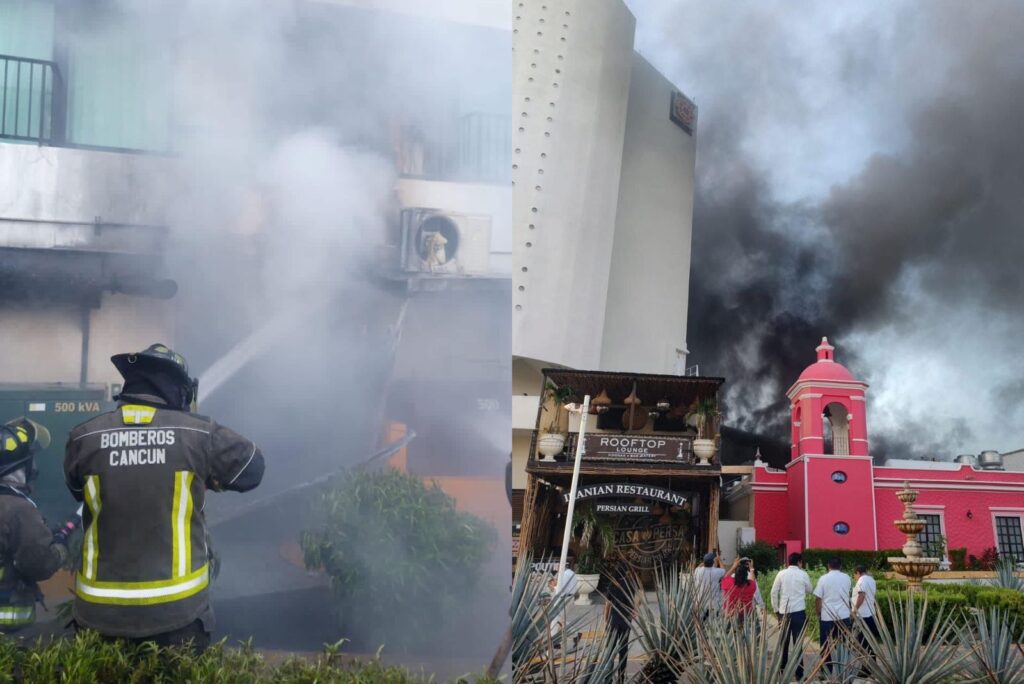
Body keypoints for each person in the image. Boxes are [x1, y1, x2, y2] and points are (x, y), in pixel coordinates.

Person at [64, 344, 265, 651]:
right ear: (179, 390)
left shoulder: (83, 438)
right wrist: (207, 476)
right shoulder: (198, 435)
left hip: (98, 617)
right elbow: (253, 469)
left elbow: (79, 492)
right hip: (176, 618)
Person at [0, 418, 69, 632]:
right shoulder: (18, 509)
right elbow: (39, 565)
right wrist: (59, 547)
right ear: (22, 465)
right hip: (9, 631)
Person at [770, 552, 813, 680]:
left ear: (789, 562)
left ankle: (782, 671)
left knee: (784, 642)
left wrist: (776, 611)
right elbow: (810, 590)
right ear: (799, 562)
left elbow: (773, 593)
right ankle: (800, 674)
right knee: (798, 644)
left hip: (784, 613)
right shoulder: (803, 574)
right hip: (799, 612)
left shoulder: (781, 574)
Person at [814, 556, 852, 673]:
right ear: (840, 566)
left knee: (826, 646)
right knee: (843, 644)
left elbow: (818, 598)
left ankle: (826, 671)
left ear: (828, 566)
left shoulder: (823, 579)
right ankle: (843, 670)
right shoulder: (847, 578)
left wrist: (818, 613)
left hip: (827, 617)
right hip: (844, 616)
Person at [602, 561, 635, 684]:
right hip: (626, 621)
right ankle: (621, 678)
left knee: (610, 649)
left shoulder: (612, 585)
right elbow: (633, 603)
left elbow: (607, 605)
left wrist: (606, 620)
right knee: (623, 649)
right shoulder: (630, 585)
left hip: (614, 620)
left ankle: (608, 677)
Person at [852, 563, 879, 664]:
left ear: (858, 573)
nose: (854, 578)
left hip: (863, 615)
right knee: (870, 642)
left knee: (863, 643)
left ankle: (865, 667)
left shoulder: (862, 580)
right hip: (871, 614)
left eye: (854, 575)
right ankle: (872, 664)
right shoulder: (871, 580)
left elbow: (861, 595)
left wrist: (854, 610)